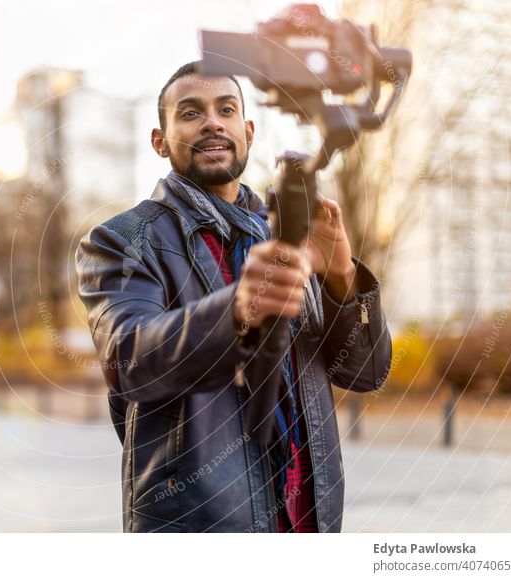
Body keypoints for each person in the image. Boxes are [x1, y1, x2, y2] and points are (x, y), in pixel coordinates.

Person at [75, 62, 392, 533]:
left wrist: (342, 275)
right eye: (190, 112)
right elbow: (130, 361)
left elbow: (364, 373)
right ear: (160, 141)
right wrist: (239, 310)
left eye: (226, 109)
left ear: (247, 132)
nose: (212, 122)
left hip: (311, 519)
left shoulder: (284, 232)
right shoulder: (122, 238)